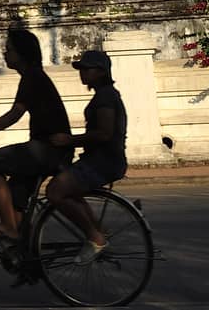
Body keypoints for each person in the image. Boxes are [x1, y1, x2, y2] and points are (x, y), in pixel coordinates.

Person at [0, 28, 71, 241]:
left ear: (22, 53)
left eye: (9, 50)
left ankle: (8, 226)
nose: (5, 54)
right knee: (15, 196)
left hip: (49, 149)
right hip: (49, 149)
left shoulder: (32, 77)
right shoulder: (33, 76)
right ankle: (25, 258)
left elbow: (14, 115)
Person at [47, 49, 129, 265]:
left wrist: (69, 141)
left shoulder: (105, 97)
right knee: (70, 191)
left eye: (86, 69)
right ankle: (97, 231)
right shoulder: (105, 95)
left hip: (103, 162)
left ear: (100, 72)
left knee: (55, 191)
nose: (82, 73)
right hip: (100, 160)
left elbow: (104, 133)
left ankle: (96, 238)